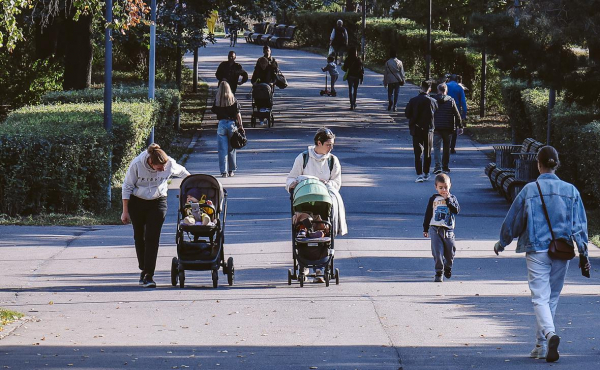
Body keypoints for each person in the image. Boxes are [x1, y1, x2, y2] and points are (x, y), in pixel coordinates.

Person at [494, 146, 591, 363]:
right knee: (551, 298)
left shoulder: (529, 190)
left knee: (539, 297)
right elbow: (579, 226)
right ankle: (540, 345)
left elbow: (514, 220)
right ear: (556, 164)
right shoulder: (571, 191)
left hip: (537, 249)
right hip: (562, 250)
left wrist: (503, 242)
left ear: (538, 165)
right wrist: (583, 252)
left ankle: (549, 335)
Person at [121, 144, 191, 288]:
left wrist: (190, 191)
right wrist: (125, 211)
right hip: (137, 202)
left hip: (158, 201)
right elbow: (127, 187)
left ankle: (149, 275)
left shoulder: (169, 163)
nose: (163, 170)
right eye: (159, 168)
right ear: (151, 163)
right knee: (139, 236)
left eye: (164, 167)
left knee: (152, 237)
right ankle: (144, 267)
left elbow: (185, 174)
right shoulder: (137, 164)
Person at [286, 128, 348, 282]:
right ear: (318, 143)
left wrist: (326, 183)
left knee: (323, 227)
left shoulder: (333, 161)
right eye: (328, 144)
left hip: (324, 200)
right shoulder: (303, 158)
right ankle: (304, 265)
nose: (331, 147)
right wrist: (292, 184)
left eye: (332, 144)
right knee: (304, 225)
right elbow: (290, 178)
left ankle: (321, 267)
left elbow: (337, 182)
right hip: (304, 199)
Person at [423, 173, 460, 282]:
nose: (443, 190)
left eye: (446, 187)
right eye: (440, 188)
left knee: (450, 250)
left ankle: (448, 266)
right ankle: (438, 272)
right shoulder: (433, 199)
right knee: (437, 252)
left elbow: (456, 210)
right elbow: (428, 213)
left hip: (448, 230)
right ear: (436, 187)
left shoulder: (452, 198)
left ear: (450, 186)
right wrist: (425, 228)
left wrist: (448, 200)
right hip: (435, 228)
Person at [405, 80, 438, 183]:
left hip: (417, 128)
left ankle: (419, 174)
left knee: (418, 152)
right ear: (430, 89)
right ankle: (426, 172)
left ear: (421, 87)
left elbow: (407, 114)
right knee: (428, 152)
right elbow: (436, 113)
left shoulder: (413, 100)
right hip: (429, 129)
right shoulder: (433, 101)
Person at [211, 81, 244, 177]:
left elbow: (214, 110)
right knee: (231, 148)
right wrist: (241, 125)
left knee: (222, 149)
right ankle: (231, 170)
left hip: (221, 124)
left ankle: (223, 171)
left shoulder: (217, 100)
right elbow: (238, 114)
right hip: (231, 124)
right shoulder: (233, 100)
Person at [432, 83, 463, 174]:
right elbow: (457, 114)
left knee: (436, 147)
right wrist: (460, 126)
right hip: (448, 127)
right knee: (446, 147)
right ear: (446, 90)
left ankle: (438, 166)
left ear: (438, 90)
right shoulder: (451, 100)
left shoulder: (433, 100)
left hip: (436, 127)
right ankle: (445, 166)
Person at [446, 74, 467, 154]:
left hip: (446, 109)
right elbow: (463, 102)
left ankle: (446, 145)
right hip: (456, 110)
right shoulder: (459, 88)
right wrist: (463, 115)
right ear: (457, 80)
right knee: (454, 128)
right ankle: (452, 147)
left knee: (446, 129)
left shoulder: (445, 86)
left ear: (449, 79)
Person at [341, 46, 364, 110]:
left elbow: (345, 68)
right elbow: (361, 69)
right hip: (356, 76)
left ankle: (351, 104)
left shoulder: (347, 59)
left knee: (350, 90)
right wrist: (361, 77)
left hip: (350, 76)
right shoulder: (358, 59)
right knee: (355, 90)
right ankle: (354, 102)